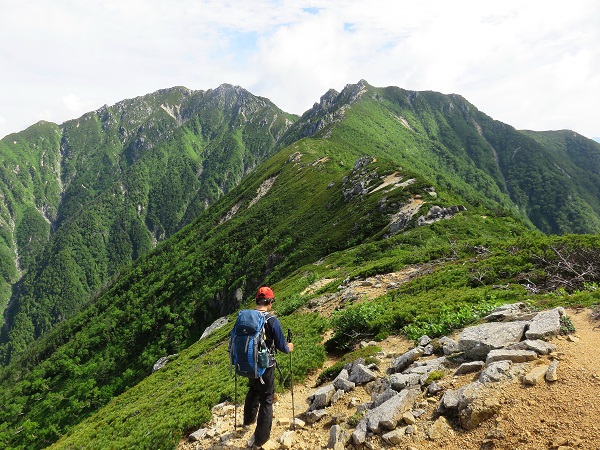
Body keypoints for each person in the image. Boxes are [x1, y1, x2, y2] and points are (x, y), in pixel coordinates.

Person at [244, 286, 294, 449]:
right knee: (266, 399)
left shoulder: (247, 317)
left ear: (257, 301)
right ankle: (261, 439)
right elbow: (281, 346)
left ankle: (248, 421)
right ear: (270, 301)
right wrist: (289, 348)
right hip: (265, 365)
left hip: (249, 362)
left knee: (253, 390)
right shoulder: (272, 320)